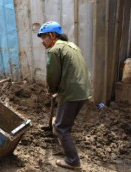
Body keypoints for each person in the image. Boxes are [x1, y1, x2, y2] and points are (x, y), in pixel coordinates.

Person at [37, 21, 92, 170]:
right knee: (64, 123)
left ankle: (73, 161)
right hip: (84, 91)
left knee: (61, 127)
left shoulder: (54, 50)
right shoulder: (72, 46)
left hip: (71, 92)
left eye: (43, 38)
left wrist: (51, 89)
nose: (42, 42)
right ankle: (65, 140)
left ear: (52, 35)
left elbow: (52, 76)